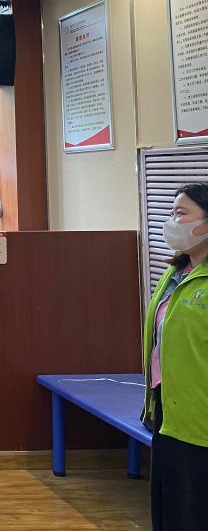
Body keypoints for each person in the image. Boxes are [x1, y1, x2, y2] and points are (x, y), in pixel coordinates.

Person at [142, 182, 208, 531]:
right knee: (168, 511)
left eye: (181, 213)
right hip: (167, 409)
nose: (171, 221)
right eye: (171, 212)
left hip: (200, 419)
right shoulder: (175, 272)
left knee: (193, 513)